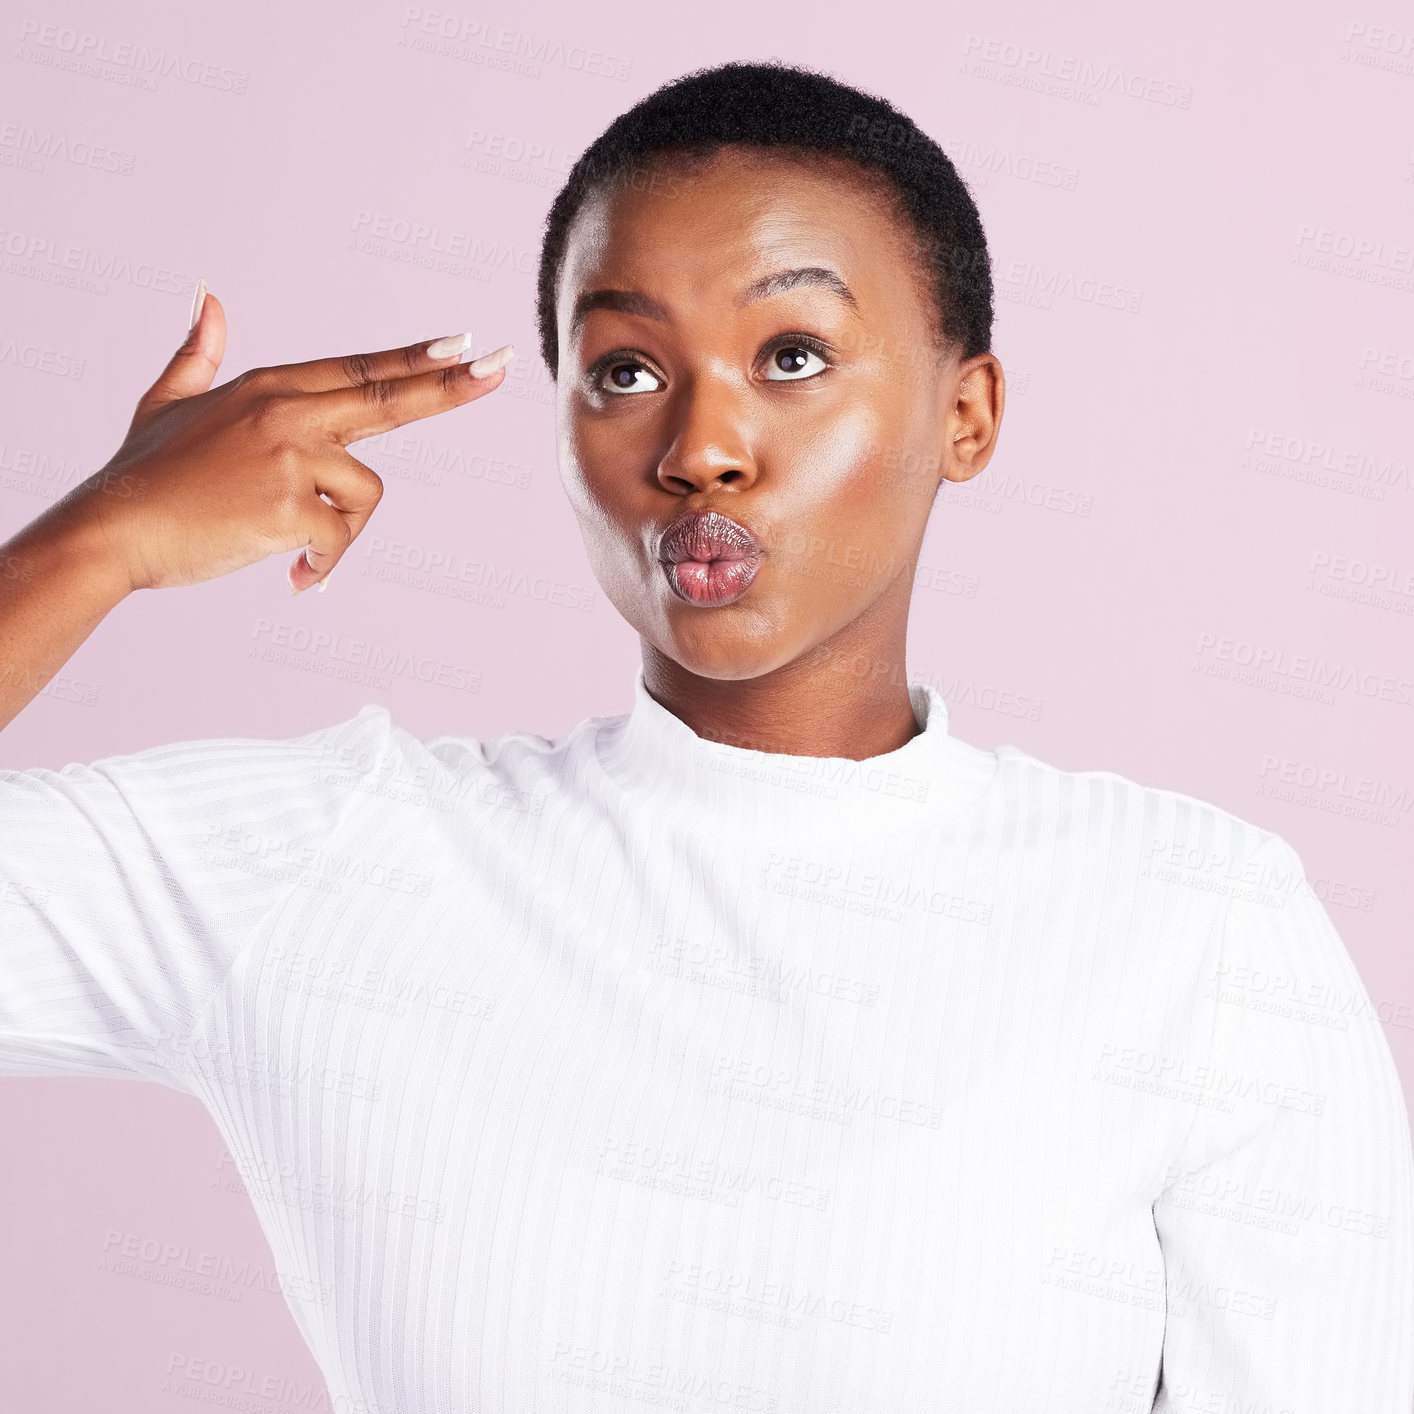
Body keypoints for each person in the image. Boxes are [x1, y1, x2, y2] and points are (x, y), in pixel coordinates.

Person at [1, 59, 1410, 1414]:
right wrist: (95, 544)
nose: (698, 446)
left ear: (964, 415)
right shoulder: (326, 865)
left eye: (790, 353)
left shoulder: (1191, 925)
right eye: (621, 371)